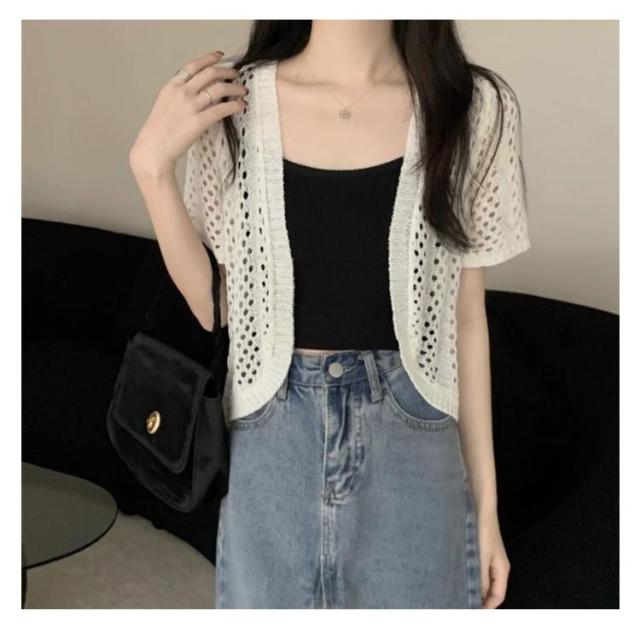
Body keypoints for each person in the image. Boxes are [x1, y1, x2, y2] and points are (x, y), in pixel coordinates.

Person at [128, 20, 531, 609]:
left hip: (415, 443)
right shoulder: (234, 104)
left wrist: (486, 512)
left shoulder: (473, 107)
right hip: (269, 441)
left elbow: (467, 319)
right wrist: (152, 172)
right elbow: (218, 308)